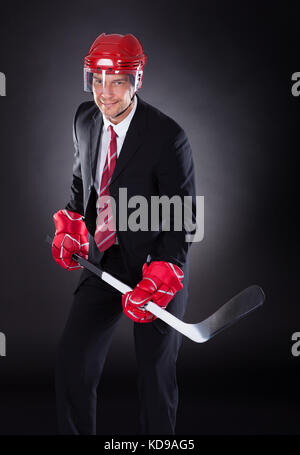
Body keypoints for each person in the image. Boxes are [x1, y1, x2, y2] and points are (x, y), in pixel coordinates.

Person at [51, 32, 196, 435]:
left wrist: (165, 271)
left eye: (116, 81)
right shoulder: (84, 118)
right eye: (97, 79)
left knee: (155, 375)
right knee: (71, 362)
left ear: (137, 80)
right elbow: (83, 186)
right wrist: (71, 224)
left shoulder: (168, 136)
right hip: (106, 258)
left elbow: (181, 216)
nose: (105, 92)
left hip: (156, 266)